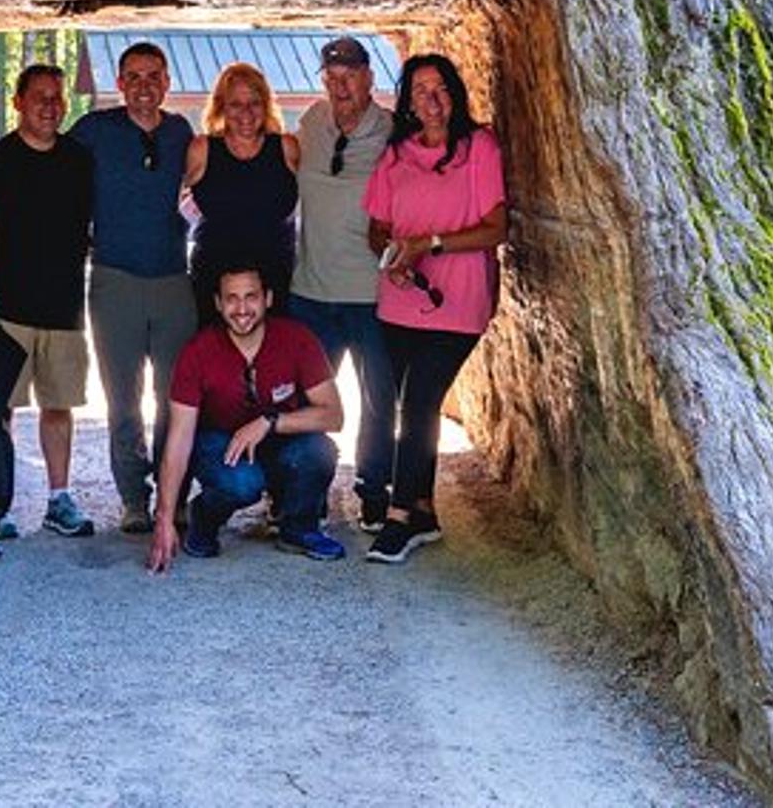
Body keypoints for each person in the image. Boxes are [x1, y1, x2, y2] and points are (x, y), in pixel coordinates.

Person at [362, 53, 507, 566]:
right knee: (406, 403)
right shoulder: (396, 155)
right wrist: (392, 256)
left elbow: (497, 227)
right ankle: (423, 512)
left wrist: (432, 244)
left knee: (421, 403)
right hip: (400, 299)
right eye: (420, 90)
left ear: (456, 94)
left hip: (459, 299)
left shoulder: (478, 148)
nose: (432, 98)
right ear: (407, 102)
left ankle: (398, 518)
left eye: (441, 87)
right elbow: (377, 225)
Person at [68, 42, 197, 534]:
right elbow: (56, 177)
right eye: (134, 77)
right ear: (119, 84)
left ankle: (173, 491)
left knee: (174, 397)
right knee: (123, 398)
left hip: (172, 279)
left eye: (153, 76)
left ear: (166, 82)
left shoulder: (182, 132)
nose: (144, 86)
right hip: (114, 278)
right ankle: (133, 499)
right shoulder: (95, 131)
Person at [146, 264, 347, 571]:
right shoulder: (197, 351)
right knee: (242, 483)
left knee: (319, 452)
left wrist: (270, 422)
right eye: (231, 298)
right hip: (219, 443)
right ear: (217, 303)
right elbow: (178, 439)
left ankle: (298, 528)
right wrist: (164, 518)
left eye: (251, 297)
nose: (241, 309)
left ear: (267, 298)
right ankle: (203, 518)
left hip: (279, 436)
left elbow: (334, 415)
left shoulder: (297, 338)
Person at [0, 64, 96, 541]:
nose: (50, 106)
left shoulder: (80, 161)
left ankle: (59, 499)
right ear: (17, 102)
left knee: (59, 406)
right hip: (7, 311)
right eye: (39, 96)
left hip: (64, 308)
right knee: (0, 410)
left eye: (57, 97)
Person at [289, 36, 398, 533]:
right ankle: (304, 491)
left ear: (369, 78)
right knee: (307, 402)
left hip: (372, 293)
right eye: (331, 77)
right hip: (310, 290)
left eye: (349, 75)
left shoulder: (391, 132)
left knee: (378, 399)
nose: (340, 85)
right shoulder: (311, 122)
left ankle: (374, 492)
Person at [184, 62, 300, 320]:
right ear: (221, 107)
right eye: (235, 104)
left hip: (275, 278)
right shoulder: (202, 149)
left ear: (266, 105)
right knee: (216, 357)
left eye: (254, 103)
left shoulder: (286, 148)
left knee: (274, 357)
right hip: (214, 279)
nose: (246, 113)